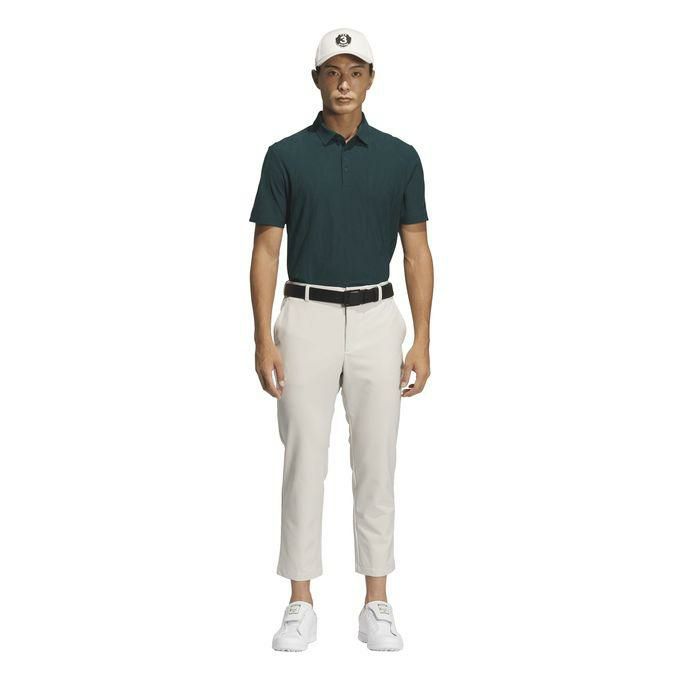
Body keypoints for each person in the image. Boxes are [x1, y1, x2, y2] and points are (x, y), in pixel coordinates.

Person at [248, 27, 434, 652]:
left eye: (355, 72)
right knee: (304, 458)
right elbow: (266, 249)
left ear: (371, 80)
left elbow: (416, 252)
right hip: (306, 316)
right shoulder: (285, 156)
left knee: (377, 458)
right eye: (333, 72)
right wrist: (262, 337)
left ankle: (376, 601)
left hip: (378, 317)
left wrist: (422, 339)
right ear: (317, 80)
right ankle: (300, 601)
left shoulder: (401, 158)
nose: (344, 83)